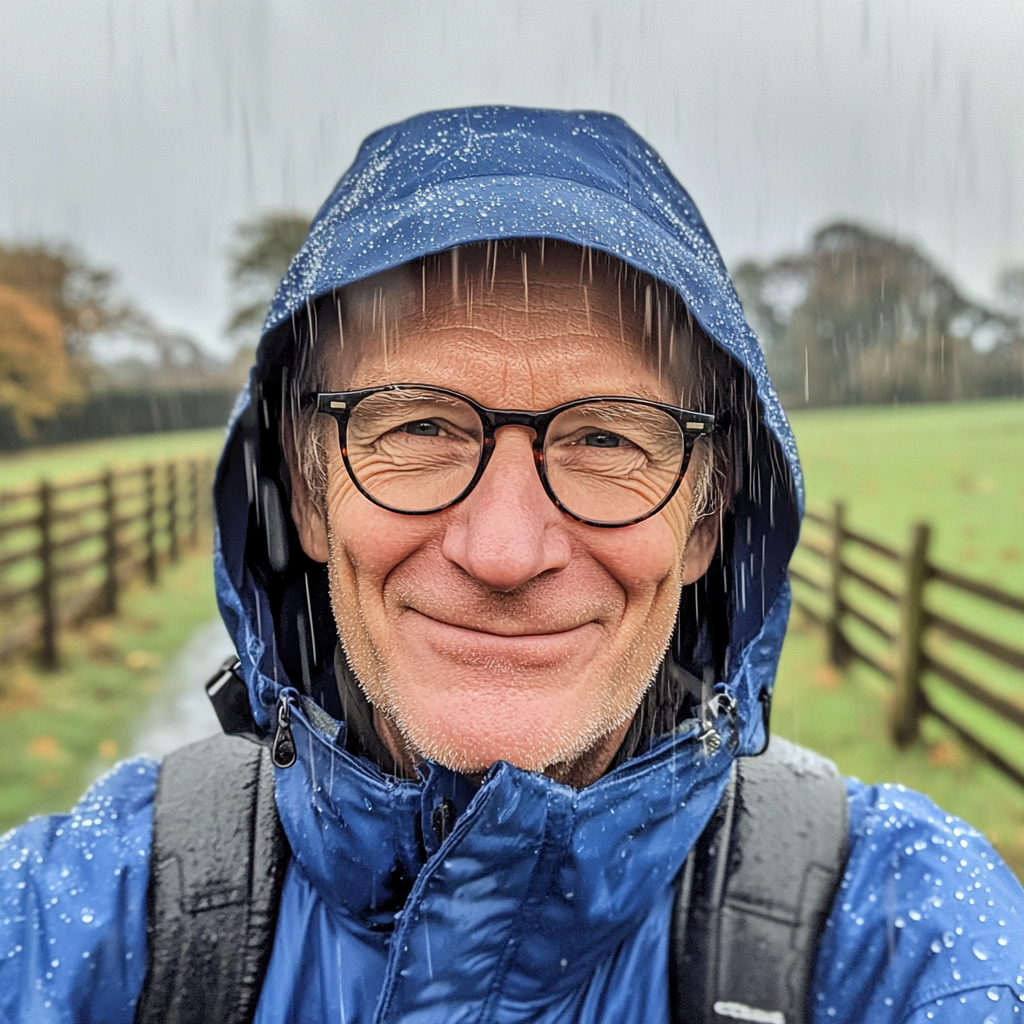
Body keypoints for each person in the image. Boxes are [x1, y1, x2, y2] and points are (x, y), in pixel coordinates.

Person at [1, 107, 1021, 1024]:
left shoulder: (898, 940)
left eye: (610, 440)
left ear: (705, 524)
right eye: (422, 425)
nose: (502, 550)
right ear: (310, 494)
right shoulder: (76, 914)